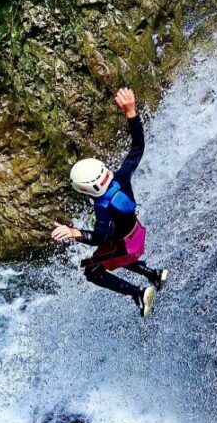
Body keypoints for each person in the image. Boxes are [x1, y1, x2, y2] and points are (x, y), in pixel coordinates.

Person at [51, 87, 167, 317]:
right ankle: (153, 273)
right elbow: (137, 148)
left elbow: (99, 238)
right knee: (106, 256)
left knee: (93, 270)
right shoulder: (121, 178)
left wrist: (75, 233)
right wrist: (131, 111)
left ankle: (139, 293)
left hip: (125, 246)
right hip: (136, 234)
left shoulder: (102, 210)